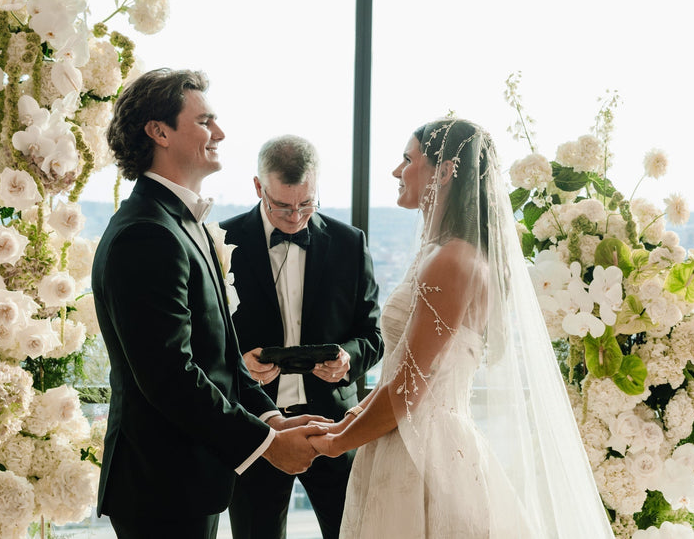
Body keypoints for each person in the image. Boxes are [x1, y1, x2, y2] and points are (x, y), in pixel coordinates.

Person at [308, 118, 615, 538]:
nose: (397, 172)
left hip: (424, 454)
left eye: (407, 159)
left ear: (446, 171)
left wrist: (336, 445)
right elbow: (400, 370)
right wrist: (342, 424)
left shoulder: (452, 260)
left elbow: (409, 387)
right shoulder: (440, 252)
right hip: (407, 439)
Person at [91, 69, 328, 539]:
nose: (219, 133)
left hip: (189, 479)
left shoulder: (183, 221)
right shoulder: (147, 233)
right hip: (159, 487)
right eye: (205, 121)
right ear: (159, 132)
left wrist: (272, 418)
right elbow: (170, 377)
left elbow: (219, 353)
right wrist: (267, 445)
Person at [221, 135, 384, 539]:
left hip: (336, 426)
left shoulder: (350, 243)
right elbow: (209, 340)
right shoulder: (221, 241)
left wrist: (348, 359)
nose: (296, 217)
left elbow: (373, 335)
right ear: (259, 188)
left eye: (307, 204)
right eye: (282, 205)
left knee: (353, 533)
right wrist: (241, 364)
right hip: (257, 428)